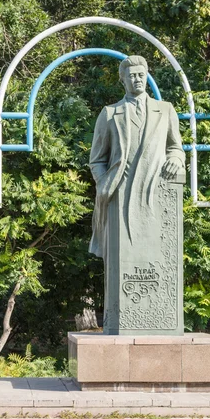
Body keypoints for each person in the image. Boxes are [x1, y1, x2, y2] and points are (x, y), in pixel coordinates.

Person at [89, 55, 185, 332]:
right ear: (123, 79)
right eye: (131, 75)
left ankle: (161, 319)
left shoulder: (165, 110)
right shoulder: (110, 114)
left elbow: (176, 147)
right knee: (121, 260)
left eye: (141, 74)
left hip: (156, 193)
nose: (137, 79)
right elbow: (97, 159)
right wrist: (106, 182)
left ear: (147, 76)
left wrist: (177, 160)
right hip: (119, 194)